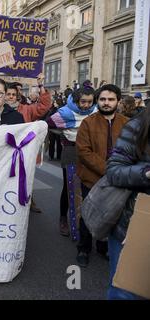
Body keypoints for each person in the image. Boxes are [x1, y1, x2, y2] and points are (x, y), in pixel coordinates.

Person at [75, 84, 129, 267]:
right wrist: (108, 170)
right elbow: (84, 152)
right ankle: (83, 248)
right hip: (92, 178)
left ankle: (102, 247)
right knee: (89, 213)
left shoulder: (127, 123)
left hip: (119, 180)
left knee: (111, 214)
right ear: (98, 101)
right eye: (103, 99)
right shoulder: (88, 123)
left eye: (111, 99)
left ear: (118, 101)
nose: (106, 103)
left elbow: (132, 149)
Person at [106, 103, 150, 300]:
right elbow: (114, 171)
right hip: (134, 227)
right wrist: (146, 173)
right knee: (126, 292)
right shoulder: (138, 127)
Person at [47, 87, 97, 237]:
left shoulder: (95, 111)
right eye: (83, 102)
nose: (87, 105)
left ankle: (86, 222)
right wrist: (64, 133)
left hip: (90, 152)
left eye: (90, 102)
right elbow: (48, 124)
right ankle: (64, 219)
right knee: (69, 187)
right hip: (71, 151)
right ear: (76, 101)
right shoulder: (65, 112)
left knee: (88, 186)